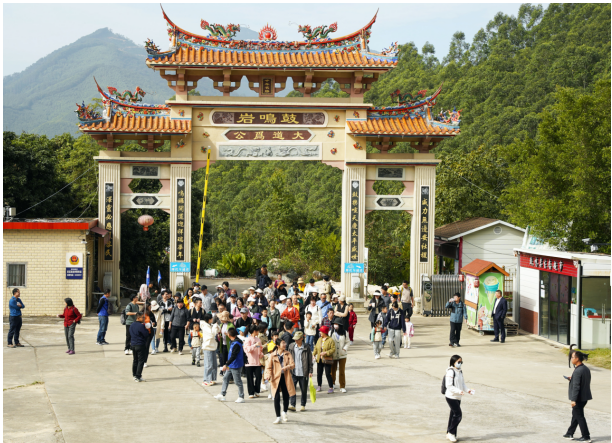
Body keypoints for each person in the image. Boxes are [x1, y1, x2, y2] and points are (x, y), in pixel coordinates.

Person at [264, 338, 296, 424]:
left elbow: (293, 365)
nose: (285, 344)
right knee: (276, 397)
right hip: (275, 378)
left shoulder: (287, 353)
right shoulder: (273, 355)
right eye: (283, 343)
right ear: (278, 345)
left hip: (285, 377)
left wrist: (287, 367)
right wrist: (268, 375)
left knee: (286, 395)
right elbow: (269, 367)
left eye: (285, 343)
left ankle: (284, 412)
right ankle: (278, 417)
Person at [563, 350, 592, 442]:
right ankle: (569, 433)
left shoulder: (578, 371)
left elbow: (576, 387)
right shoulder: (585, 369)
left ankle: (586, 436)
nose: (571, 359)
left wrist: (573, 400)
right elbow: (583, 381)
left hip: (578, 398)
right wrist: (572, 379)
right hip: (584, 397)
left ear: (577, 359)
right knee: (576, 415)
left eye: (572, 357)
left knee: (579, 416)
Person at [444, 355, 474, 442]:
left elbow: (462, 384)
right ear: (453, 362)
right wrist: (458, 391)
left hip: (458, 397)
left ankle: (448, 433)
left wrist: (468, 390)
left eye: (461, 362)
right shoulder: (450, 372)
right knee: (458, 415)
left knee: (452, 415)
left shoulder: (460, 371)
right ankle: (451, 433)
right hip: (451, 396)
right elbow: (448, 385)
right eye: (458, 362)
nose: (460, 364)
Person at [214, 328, 245, 403]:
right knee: (225, 378)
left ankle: (241, 397)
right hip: (231, 365)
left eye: (228, 334)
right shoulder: (233, 341)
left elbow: (234, 356)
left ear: (230, 335)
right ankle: (222, 394)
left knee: (238, 381)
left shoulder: (237, 344)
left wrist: (226, 364)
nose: (227, 335)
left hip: (236, 365)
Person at [288, 331, 313, 412]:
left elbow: (310, 360)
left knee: (304, 390)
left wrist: (310, 371)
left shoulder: (307, 347)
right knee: (292, 389)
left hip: (304, 373)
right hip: (294, 372)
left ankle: (303, 405)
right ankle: (292, 405)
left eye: (297, 339)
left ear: (302, 338)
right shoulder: (291, 346)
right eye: (295, 339)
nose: (296, 341)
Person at [244, 324, 264, 398]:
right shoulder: (248, 339)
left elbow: (261, 349)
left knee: (259, 377)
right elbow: (247, 349)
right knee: (250, 378)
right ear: (254, 331)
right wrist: (254, 345)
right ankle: (251, 392)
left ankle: (257, 390)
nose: (258, 332)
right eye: (257, 330)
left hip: (257, 362)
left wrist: (261, 354)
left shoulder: (258, 339)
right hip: (249, 362)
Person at [313, 325, 336, 393]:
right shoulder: (319, 339)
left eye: (321, 332)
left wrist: (326, 353)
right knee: (319, 373)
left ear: (324, 332)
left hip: (327, 359)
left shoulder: (330, 340)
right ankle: (319, 386)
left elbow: (333, 349)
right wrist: (313, 354)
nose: (320, 333)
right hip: (319, 359)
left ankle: (331, 387)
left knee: (328, 373)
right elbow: (316, 348)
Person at [330, 319, 350, 393]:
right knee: (333, 370)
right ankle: (332, 383)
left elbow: (348, 342)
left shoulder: (345, 332)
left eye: (337, 324)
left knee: (342, 371)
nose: (335, 325)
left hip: (342, 355)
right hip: (333, 354)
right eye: (334, 324)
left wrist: (344, 348)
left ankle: (342, 386)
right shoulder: (331, 332)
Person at [201, 313, 220, 386]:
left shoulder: (211, 325)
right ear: (209, 319)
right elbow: (212, 334)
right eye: (211, 318)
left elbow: (217, 330)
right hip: (207, 347)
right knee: (208, 365)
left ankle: (213, 379)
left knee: (214, 364)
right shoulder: (205, 326)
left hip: (213, 347)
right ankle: (206, 380)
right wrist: (215, 326)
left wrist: (216, 326)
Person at [129, 312, 149, 382]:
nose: (144, 318)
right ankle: (138, 376)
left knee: (135, 360)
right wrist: (146, 328)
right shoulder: (141, 326)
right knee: (141, 361)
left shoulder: (132, 325)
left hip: (133, 344)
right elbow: (146, 334)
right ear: (138, 318)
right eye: (143, 317)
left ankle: (134, 375)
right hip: (140, 344)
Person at [218, 311, 235, 376]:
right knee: (223, 358)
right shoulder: (221, 325)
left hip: (229, 344)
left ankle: (228, 372)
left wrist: (228, 334)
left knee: (229, 359)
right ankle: (222, 370)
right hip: (223, 344)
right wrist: (219, 336)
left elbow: (233, 335)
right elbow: (219, 333)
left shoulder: (231, 325)